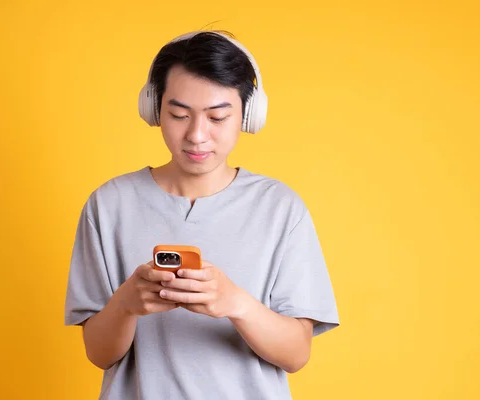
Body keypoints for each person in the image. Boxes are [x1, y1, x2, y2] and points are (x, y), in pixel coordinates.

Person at [64, 30, 340, 400]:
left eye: (217, 117)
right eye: (179, 114)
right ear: (153, 109)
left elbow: (295, 355)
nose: (197, 135)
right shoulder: (109, 204)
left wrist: (235, 303)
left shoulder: (281, 208)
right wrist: (127, 303)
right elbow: (99, 355)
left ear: (248, 115)